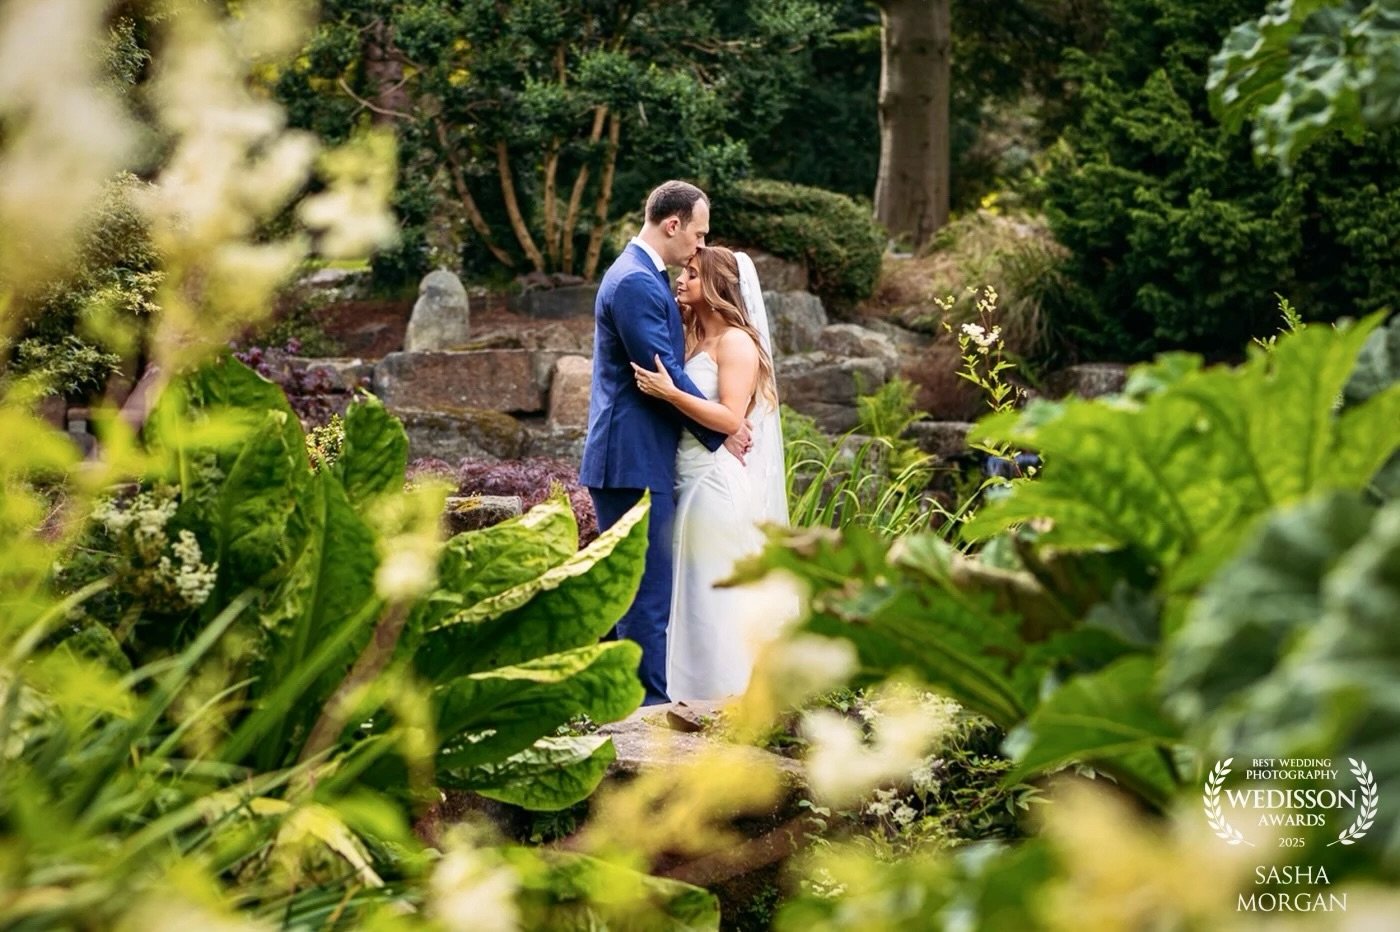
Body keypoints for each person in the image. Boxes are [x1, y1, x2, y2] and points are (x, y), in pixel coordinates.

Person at [580, 181, 752, 706]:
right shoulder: (635, 281)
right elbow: (660, 370)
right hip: (632, 460)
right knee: (644, 593)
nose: (700, 247)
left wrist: (722, 425)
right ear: (672, 225)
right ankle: (647, 713)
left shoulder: (646, 279)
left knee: (636, 590)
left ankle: (616, 702)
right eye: (698, 235)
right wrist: (720, 431)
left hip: (645, 457)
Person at [632, 245, 794, 700]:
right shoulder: (689, 337)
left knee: (712, 598)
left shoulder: (736, 342)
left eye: (693, 275)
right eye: (684, 271)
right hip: (682, 474)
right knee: (686, 594)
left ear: (719, 288)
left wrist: (670, 392)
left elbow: (729, 418)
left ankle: (725, 700)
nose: (681, 280)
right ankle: (683, 697)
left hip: (713, 482)